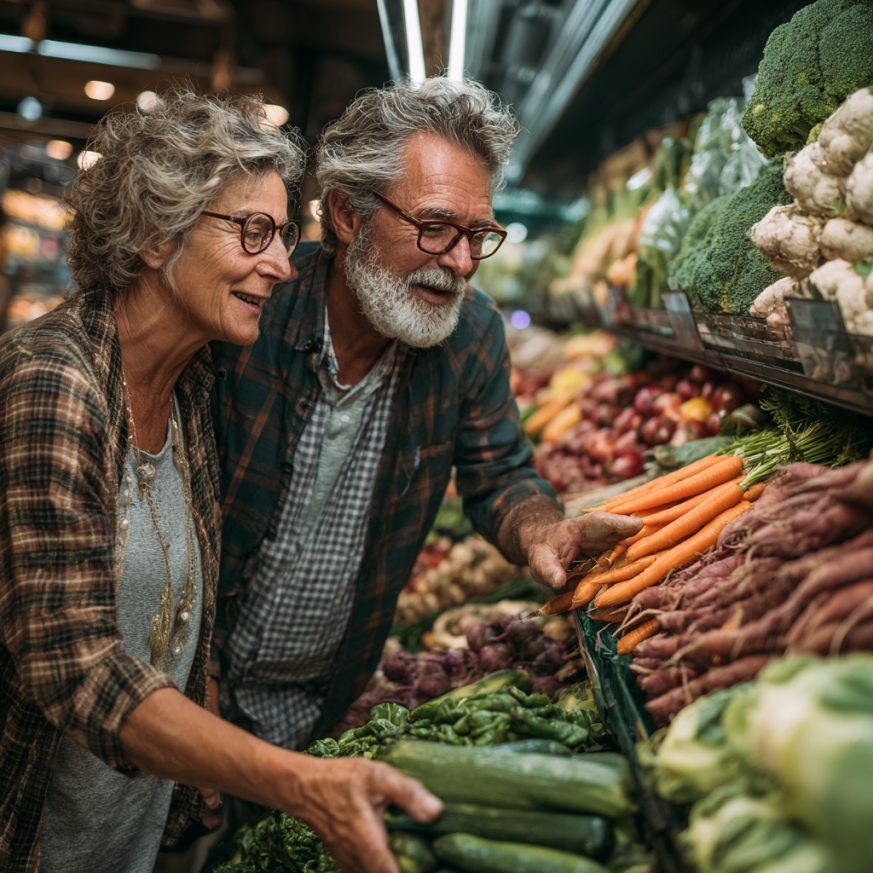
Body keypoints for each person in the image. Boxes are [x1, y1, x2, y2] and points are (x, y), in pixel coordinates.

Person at [0, 89, 440, 873]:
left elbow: (171, 604)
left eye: (284, 234)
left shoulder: (192, 382)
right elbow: (73, 664)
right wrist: (298, 782)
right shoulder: (52, 383)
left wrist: (198, 693)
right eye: (252, 231)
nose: (281, 265)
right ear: (151, 233)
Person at [211, 79, 642, 773]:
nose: (462, 262)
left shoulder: (472, 338)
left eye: (478, 236)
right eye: (436, 227)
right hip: (187, 685)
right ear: (348, 214)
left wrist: (542, 530)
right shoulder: (251, 313)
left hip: (324, 705)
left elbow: (500, 476)